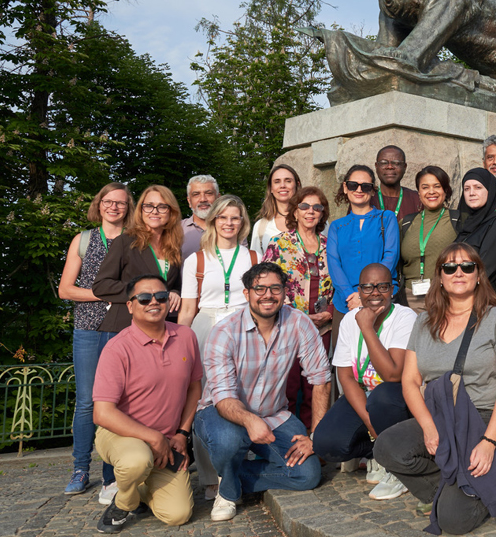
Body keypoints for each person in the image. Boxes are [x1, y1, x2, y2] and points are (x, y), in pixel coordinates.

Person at [373, 243, 496, 534]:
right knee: (387, 447)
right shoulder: (423, 322)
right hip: (440, 415)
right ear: (440, 276)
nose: (458, 272)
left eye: (467, 266)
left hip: (485, 415)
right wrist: (427, 426)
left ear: (478, 274)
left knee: (454, 521)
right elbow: (410, 381)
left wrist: (488, 442)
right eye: (450, 267)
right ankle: (446, 489)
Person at [195, 262, 329, 521]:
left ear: (284, 292)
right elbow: (222, 397)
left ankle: (231, 476)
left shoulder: (299, 323)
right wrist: (250, 420)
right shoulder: (224, 332)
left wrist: (317, 435)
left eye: (275, 288)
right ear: (247, 294)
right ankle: (229, 492)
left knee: (308, 474)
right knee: (229, 441)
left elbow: (321, 379)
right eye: (260, 288)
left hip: (273, 414)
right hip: (221, 413)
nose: (268, 295)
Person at [92, 274, 201, 533]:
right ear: (130, 306)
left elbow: (194, 387)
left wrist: (182, 434)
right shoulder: (117, 349)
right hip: (121, 436)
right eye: (143, 298)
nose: (153, 302)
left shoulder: (186, 336)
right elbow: (102, 413)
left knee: (178, 514)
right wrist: (153, 438)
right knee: (136, 461)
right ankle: (124, 501)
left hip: (167, 439)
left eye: (161, 296)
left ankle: (140, 487)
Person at [312, 263, 416, 500]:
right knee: (325, 443)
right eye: (368, 287)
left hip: (394, 397)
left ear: (392, 290)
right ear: (359, 291)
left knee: (383, 396)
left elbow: (392, 374)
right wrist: (371, 424)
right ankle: (376, 452)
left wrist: (367, 328)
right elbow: (346, 376)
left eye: (382, 286)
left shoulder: (405, 317)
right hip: (364, 394)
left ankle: (399, 466)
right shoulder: (350, 320)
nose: (375, 293)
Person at [177, 194, 255, 500]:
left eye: (234, 217)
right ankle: (209, 476)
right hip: (205, 326)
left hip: (241, 325)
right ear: (213, 221)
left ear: (242, 222)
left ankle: (241, 466)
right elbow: (186, 310)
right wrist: (179, 349)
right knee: (202, 401)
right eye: (223, 217)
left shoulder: (251, 257)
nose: (229, 223)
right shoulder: (195, 260)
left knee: (243, 395)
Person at [59, 183, 133, 501]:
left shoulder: (135, 242)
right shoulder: (84, 240)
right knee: (87, 401)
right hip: (88, 329)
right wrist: (107, 294)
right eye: (108, 201)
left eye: (120, 202)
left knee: (119, 401)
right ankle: (79, 469)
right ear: (99, 204)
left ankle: (111, 472)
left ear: (128, 207)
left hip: (123, 329)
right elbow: (65, 290)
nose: (114, 207)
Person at [264, 186, 335, 430]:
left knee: (317, 386)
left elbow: (342, 281)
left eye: (317, 207)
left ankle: (317, 440)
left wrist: (331, 312)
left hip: (323, 326)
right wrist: (299, 315)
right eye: (304, 206)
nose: (310, 212)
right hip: (288, 325)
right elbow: (268, 284)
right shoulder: (279, 243)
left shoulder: (330, 244)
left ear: (323, 213)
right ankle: (286, 440)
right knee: (289, 386)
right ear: (295, 211)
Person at [327, 165, 401, 354]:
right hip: (345, 302)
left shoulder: (387, 219)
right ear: (345, 188)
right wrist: (350, 295)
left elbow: (391, 256)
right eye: (353, 185)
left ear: (373, 189)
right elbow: (334, 263)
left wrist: (365, 294)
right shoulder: (337, 226)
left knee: (380, 357)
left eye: (365, 186)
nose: (359, 190)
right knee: (345, 358)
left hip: (380, 299)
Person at [93, 185, 184, 330]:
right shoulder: (125, 241)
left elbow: (175, 285)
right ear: (141, 210)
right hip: (123, 328)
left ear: (171, 212)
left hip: (159, 328)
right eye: (148, 206)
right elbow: (101, 285)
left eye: (162, 207)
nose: (154, 211)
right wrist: (141, 292)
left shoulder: (173, 247)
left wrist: (174, 293)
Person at [398, 166, 459, 312]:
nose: (431, 191)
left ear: (445, 190)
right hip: (409, 300)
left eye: (437, 186)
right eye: (425, 187)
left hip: (446, 297)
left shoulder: (458, 219)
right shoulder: (406, 223)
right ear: (419, 192)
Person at [454, 168, 496, 302]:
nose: (471, 193)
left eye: (478, 187)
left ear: (489, 191)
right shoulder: (466, 226)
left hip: (483, 301)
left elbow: (487, 268)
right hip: (461, 299)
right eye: (466, 189)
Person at [250, 164, 302, 256]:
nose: (282, 185)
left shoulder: (314, 219)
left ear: (297, 185)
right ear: (270, 188)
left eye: (288, 181)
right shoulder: (261, 227)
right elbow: (256, 267)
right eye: (277, 182)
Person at [375, 145, 422, 221]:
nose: (390, 166)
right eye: (384, 163)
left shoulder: (417, 199)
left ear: (405, 167)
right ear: (376, 167)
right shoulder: (367, 198)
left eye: (396, 163)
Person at [180, 175, 220, 262]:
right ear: (189, 201)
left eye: (209, 193)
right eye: (196, 194)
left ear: (218, 198)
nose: (203, 199)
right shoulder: (176, 229)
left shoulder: (231, 228)